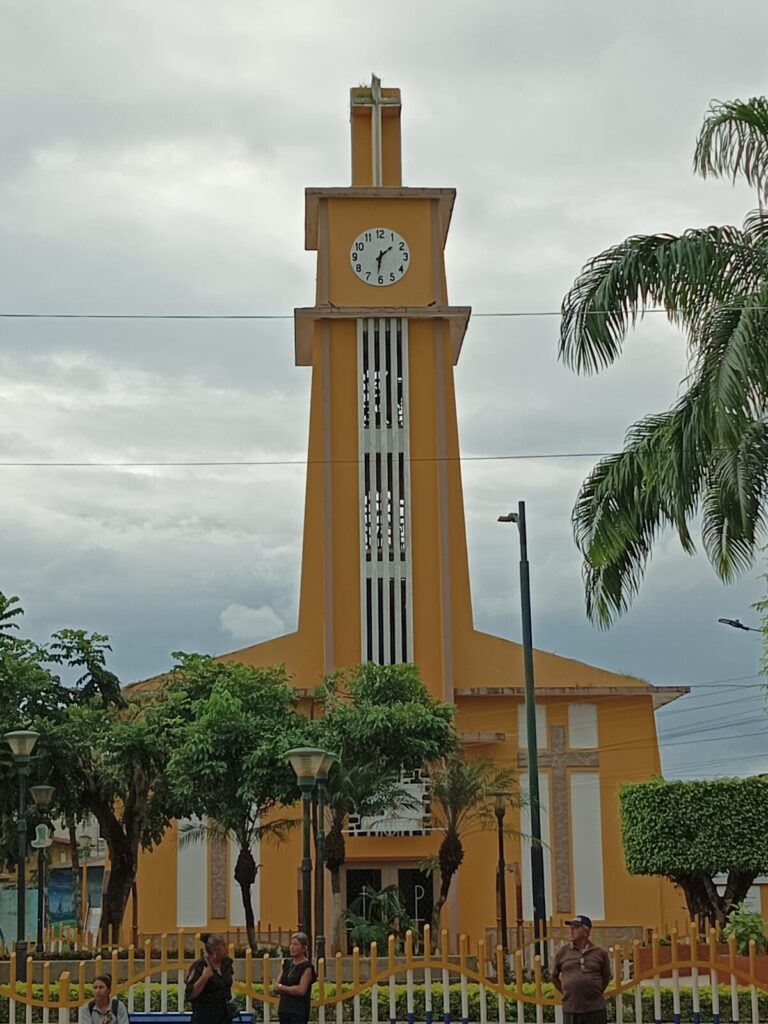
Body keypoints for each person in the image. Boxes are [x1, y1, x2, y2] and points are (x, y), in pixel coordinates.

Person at [552, 915, 611, 1024]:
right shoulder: (562, 952)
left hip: (595, 1008)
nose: (571, 931)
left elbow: (606, 976)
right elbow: (554, 976)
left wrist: (594, 991)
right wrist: (567, 992)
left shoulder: (600, 953)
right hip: (571, 1009)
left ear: (586, 932)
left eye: (575, 928)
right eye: (570, 928)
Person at [185, 934, 236, 1024]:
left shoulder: (226, 963)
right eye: (223, 945)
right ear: (214, 950)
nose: (226, 948)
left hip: (224, 1017)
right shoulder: (199, 966)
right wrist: (204, 978)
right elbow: (190, 994)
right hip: (205, 1017)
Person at [275, 932, 315, 1024]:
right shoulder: (286, 963)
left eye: (295, 944)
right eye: (291, 944)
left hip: (298, 1012)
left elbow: (301, 990)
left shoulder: (307, 967)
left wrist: (283, 988)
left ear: (303, 948)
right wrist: (280, 987)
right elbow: (277, 984)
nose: (292, 947)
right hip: (284, 1010)